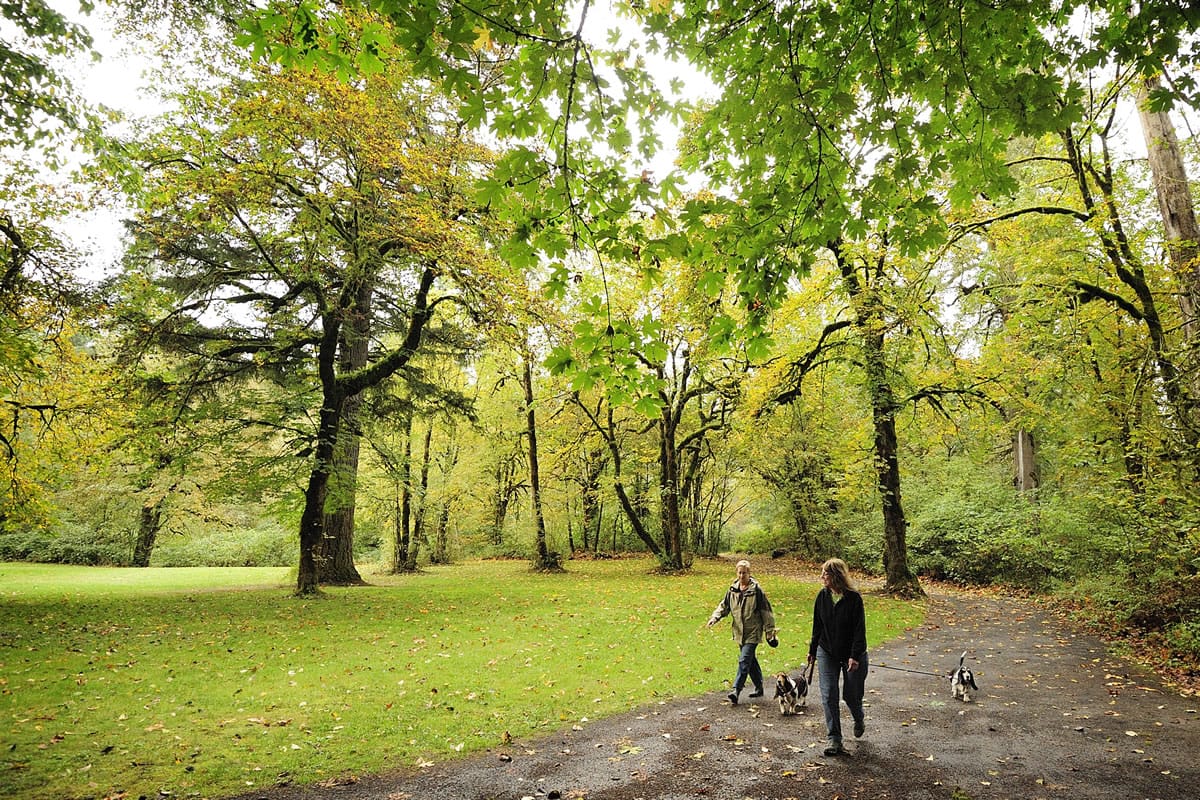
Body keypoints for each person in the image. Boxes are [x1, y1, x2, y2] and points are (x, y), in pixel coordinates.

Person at [807, 557, 868, 756]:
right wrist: (812, 651)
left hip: (853, 653)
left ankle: (858, 718)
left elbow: (860, 631)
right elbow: (817, 626)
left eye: (826, 573)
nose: (822, 576)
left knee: (851, 695)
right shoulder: (822, 597)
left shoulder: (853, 598)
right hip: (827, 651)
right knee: (828, 693)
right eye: (822, 572)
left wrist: (855, 656)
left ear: (837, 576)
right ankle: (834, 739)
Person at [707, 559, 778, 705]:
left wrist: (770, 633)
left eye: (744, 573)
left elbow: (767, 612)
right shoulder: (732, 589)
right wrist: (715, 618)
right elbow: (724, 606)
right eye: (739, 572)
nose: (741, 575)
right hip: (739, 632)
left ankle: (736, 690)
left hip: (753, 631)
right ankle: (759, 687)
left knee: (744, 660)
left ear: (749, 573)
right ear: (736, 573)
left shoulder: (757, 590)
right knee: (750, 661)